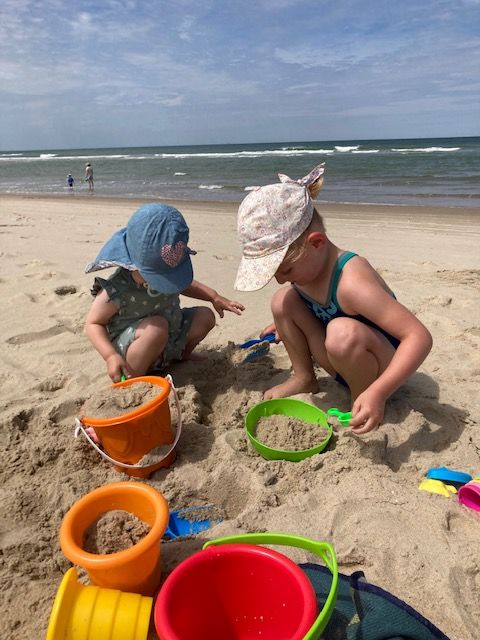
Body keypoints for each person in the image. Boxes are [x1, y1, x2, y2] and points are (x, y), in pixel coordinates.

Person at [234, 164, 432, 434]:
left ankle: (362, 402)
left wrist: (379, 392)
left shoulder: (351, 283)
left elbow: (418, 336)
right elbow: (309, 306)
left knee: (341, 332)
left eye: (286, 269)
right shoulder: (307, 271)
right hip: (340, 360)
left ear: (316, 243)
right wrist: (285, 324)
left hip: (383, 373)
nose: (281, 278)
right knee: (283, 300)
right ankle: (304, 377)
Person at [85, 203, 244, 381]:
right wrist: (110, 356)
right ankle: (134, 377)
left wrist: (214, 297)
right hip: (133, 346)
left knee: (205, 316)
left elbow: (186, 285)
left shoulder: (169, 274)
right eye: (156, 276)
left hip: (170, 336)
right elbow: (93, 324)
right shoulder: (118, 288)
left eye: (167, 277)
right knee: (156, 328)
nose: (162, 283)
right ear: (130, 261)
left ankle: (180, 356)